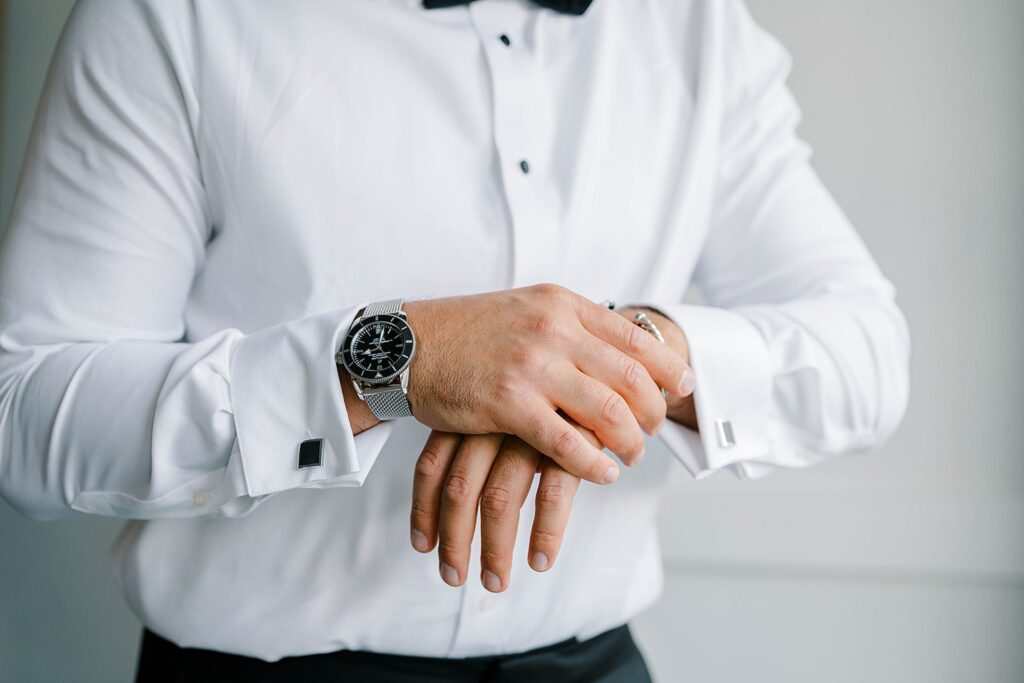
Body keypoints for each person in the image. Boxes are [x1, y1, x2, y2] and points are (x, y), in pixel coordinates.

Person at [0, 0, 910, 680]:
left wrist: (616, 357)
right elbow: (25, 412)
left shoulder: (694, 28)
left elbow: (868, 353)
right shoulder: (173, 16)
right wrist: (394, 360)